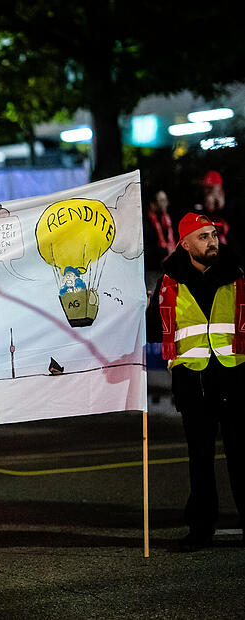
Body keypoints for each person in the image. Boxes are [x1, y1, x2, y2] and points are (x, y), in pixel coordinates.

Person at [146, 211, 245, 551]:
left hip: (234, 376)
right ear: (185, 243)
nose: (212, 241)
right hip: (193, 381)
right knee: (200, 459)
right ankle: (201, 528)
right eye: (203, 237)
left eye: (214, 235)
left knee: (241, 457)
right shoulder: (169, 280)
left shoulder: (237, 274)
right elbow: (152, 329)